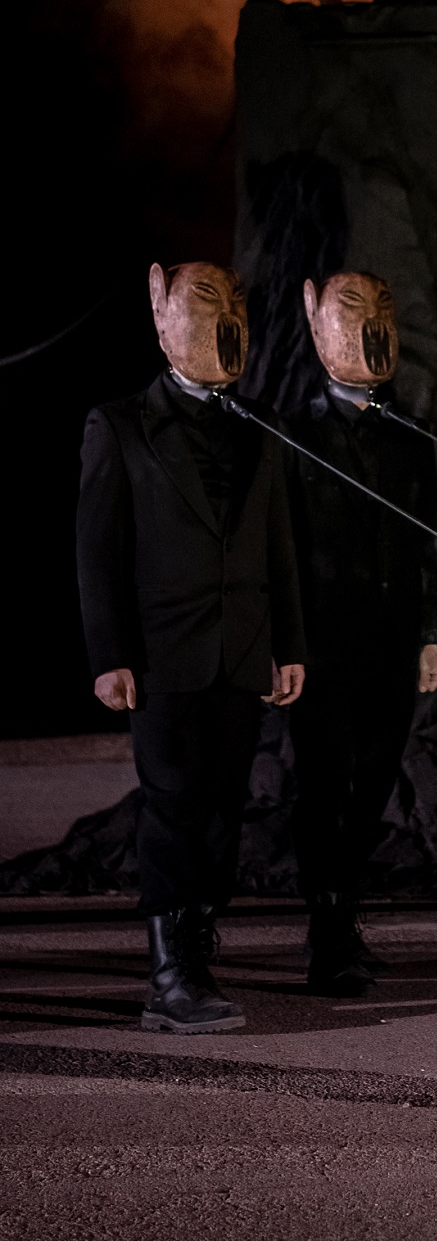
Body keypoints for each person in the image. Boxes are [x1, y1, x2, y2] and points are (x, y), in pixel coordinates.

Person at [78, 262, 306, 1033]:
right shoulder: (119, 425)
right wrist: (109, 655)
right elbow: (97, 552)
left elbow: (279, 544)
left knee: (223, 805)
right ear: (160, 312)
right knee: (172, 803)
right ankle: (170, 974)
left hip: (240, 650)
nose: (223, 322)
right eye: (203, 304)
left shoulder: (260, 425)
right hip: (161, 655)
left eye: (233, 306)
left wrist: (287, 644)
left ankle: (197, 946)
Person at [284, 271, 437, 996]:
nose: (371, 329)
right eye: (352, 312)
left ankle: (342, 916)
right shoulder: (293, 435)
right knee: (325, 784)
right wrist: (284, 644)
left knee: (374, 781)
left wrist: (430, 635)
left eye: (382, 313)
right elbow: (280, 549)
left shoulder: (409, 436)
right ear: (317, 321)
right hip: (322, 645)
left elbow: (427, 544)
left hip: (392, 639)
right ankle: (327, 934)